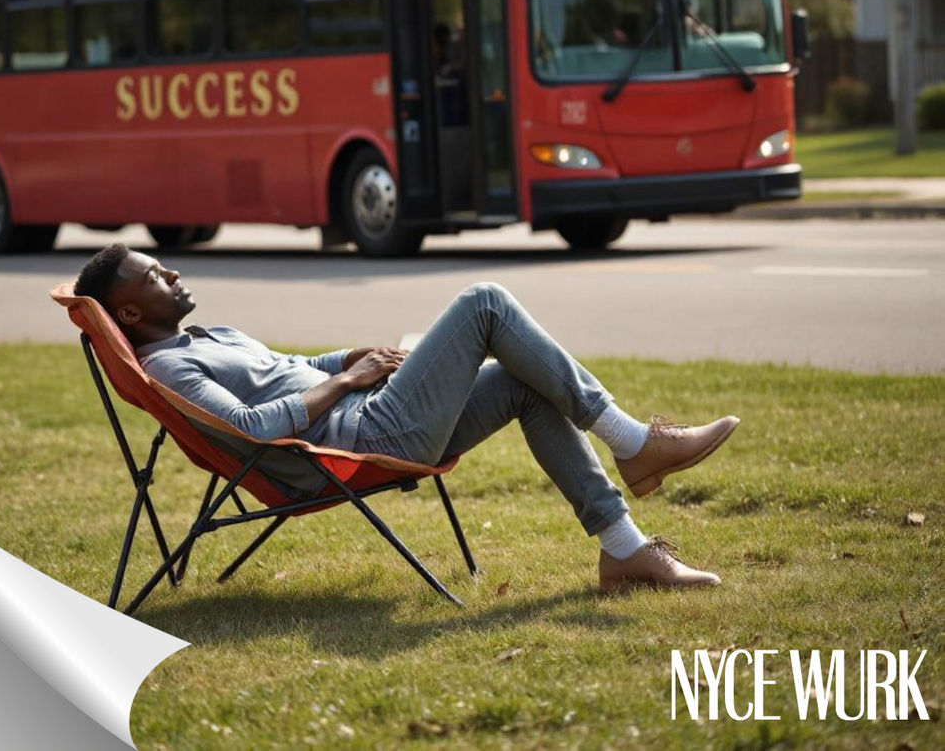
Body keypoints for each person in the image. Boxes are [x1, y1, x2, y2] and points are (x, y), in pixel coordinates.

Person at [74, 244, 739, 592]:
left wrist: (351, 357)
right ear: (130, 314)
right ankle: (634, 443)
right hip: (359, 440)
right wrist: (347, 382)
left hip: (370, 410)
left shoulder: (208, 335)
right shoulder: (169, 369)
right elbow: (252, 430)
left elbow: (292, 364)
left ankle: (623, 551)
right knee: (485, 303)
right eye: (156, 275)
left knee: (522, 382)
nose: (173, 271)